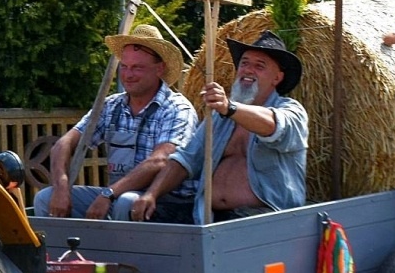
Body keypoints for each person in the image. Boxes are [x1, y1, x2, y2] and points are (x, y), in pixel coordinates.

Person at [130, 30, 308, 224]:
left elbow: (274, 125)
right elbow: (187, 159)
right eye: (244, 63)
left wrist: (229, 107)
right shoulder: (221, 117)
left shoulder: (292, 111)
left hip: (266, 218)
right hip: (207, 215)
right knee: (141, 214)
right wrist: (152, 194)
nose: (248, 70)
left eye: (259, 66)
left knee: (234, 228)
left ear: (277, 78)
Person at [34, 24, 198, 222]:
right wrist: (61, 186)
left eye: (137, 67)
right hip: (116, 194)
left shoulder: (177, 108)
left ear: (159, 69)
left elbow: (160, 160)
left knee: (126, 202)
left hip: (169, 202)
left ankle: (117, 243)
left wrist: (109, 193)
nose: (128, 74)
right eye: (124, 66)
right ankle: (63, 244)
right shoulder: (111, 105)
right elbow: (63, 144)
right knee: (44, 198)